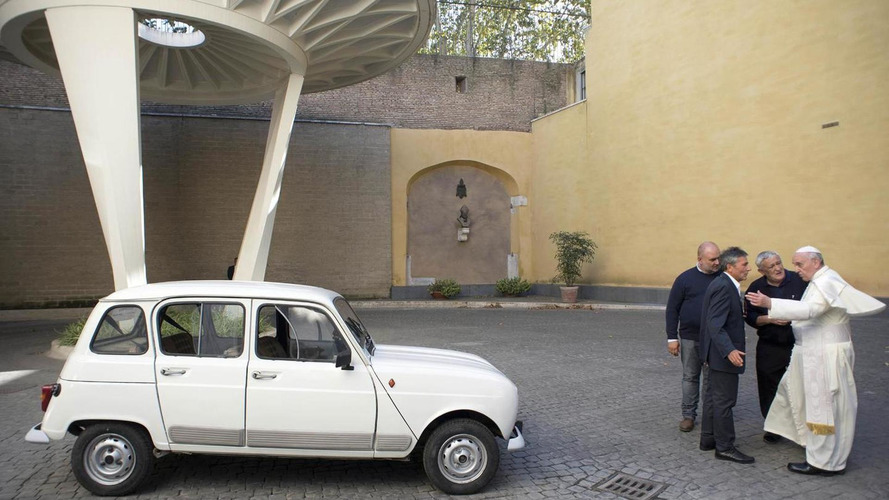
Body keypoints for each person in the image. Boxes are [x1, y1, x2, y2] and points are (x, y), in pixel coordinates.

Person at [746, 246, 885, 475]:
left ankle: (823, 462)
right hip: (815, 352)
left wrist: (770, 303)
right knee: (797, 395)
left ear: (816, 262)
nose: (795, 269)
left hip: (823, 355)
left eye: (800, 264)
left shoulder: (825, 281)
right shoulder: (820, 279)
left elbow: (811, 310)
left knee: (824, 407)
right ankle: (817, 449)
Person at [743, 251, 807, 443]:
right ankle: (773, 427)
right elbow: (751, 317)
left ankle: (801, 426)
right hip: (770, 344)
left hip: (798, 342)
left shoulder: (799, 281)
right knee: (769, 386)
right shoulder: (756, 288)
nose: (778, 268)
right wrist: (769, 319)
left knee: (799, 385)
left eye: (779, 263)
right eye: (771, 266)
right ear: (762, 271)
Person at [699, 247, 754, 464]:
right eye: (744, 264)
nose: (748, 268)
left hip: (717, 354)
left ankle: (708, 439)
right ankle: (725, 446)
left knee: (714, 398)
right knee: (724, 401)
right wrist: (729, 350)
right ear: (730, 266)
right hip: (723, 355)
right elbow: (715, 324)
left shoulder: (725, 284)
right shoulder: (724, 286)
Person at [665, 241, 721, 432]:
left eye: (718, 258)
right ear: (700, 259)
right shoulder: (685, 279)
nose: (717, 262)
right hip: (690, 337)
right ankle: (688, 415)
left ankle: (710, 416)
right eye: (712, 259)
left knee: (711, 378)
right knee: (690, 377)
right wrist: (672, 338)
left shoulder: (722, 278)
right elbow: (672, 309)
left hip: (714, 339)